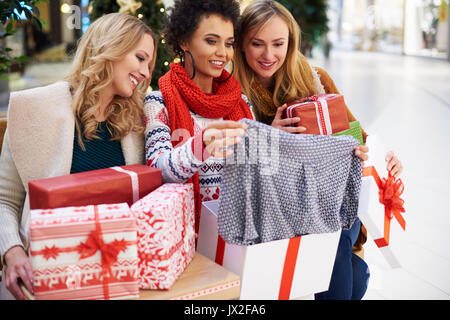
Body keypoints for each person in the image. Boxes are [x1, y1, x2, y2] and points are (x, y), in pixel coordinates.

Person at [234, 0, 403, 300]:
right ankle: (356, 269)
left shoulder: (315, 79)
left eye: (278, 43)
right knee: (352, 278)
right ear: (242, 44)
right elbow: (237, 169)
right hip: (280, 208)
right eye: (257, 44)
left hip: (335, 200)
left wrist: (376, 154)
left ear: (291, 42)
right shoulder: (236, 95)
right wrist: (270, 136)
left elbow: (357, 136)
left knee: (332, 236)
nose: (268, 54)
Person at [0, 13, 157, 300]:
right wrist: (11, 252)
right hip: (49, 274)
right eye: (140, 58)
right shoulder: (33, 110)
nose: (147, 72)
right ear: (112, 47)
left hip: (119, 278)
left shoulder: (138, 121)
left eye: (149, 63)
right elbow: (4, 200)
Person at [143, 0, 253, 235]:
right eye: (211, 41)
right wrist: (200, 146)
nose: (222, 53)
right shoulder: (158, 102)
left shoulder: (242, 104)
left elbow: (259, 175)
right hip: (184, 239)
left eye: (229, 43)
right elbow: (157, 172)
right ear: (184, 42)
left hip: (236, 237)